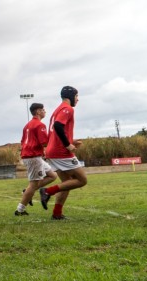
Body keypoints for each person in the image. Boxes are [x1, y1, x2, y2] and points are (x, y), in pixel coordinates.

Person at [39, 86, 87, 220]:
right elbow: (58, 127)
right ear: (70, 96)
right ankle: (47, 191)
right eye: (76, 96)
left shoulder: (56, 110)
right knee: (82, 180)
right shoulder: (67, 109)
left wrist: (71, 140)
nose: (77, 99)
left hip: (53, 151)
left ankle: (57, 213)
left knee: (67, 183)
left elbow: (56, 132)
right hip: (61, 152)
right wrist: (68, 145)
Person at [14, 103, 57, 216]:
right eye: (43, 110)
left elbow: (23, 141)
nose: (45, 111)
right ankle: (20, 210)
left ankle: (27, 191)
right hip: (33, 157)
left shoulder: (27, 125)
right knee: (33, 185)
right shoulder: (40, 125)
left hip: (32, 156)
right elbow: (45, 142)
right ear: (38, 111)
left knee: (53, 176)